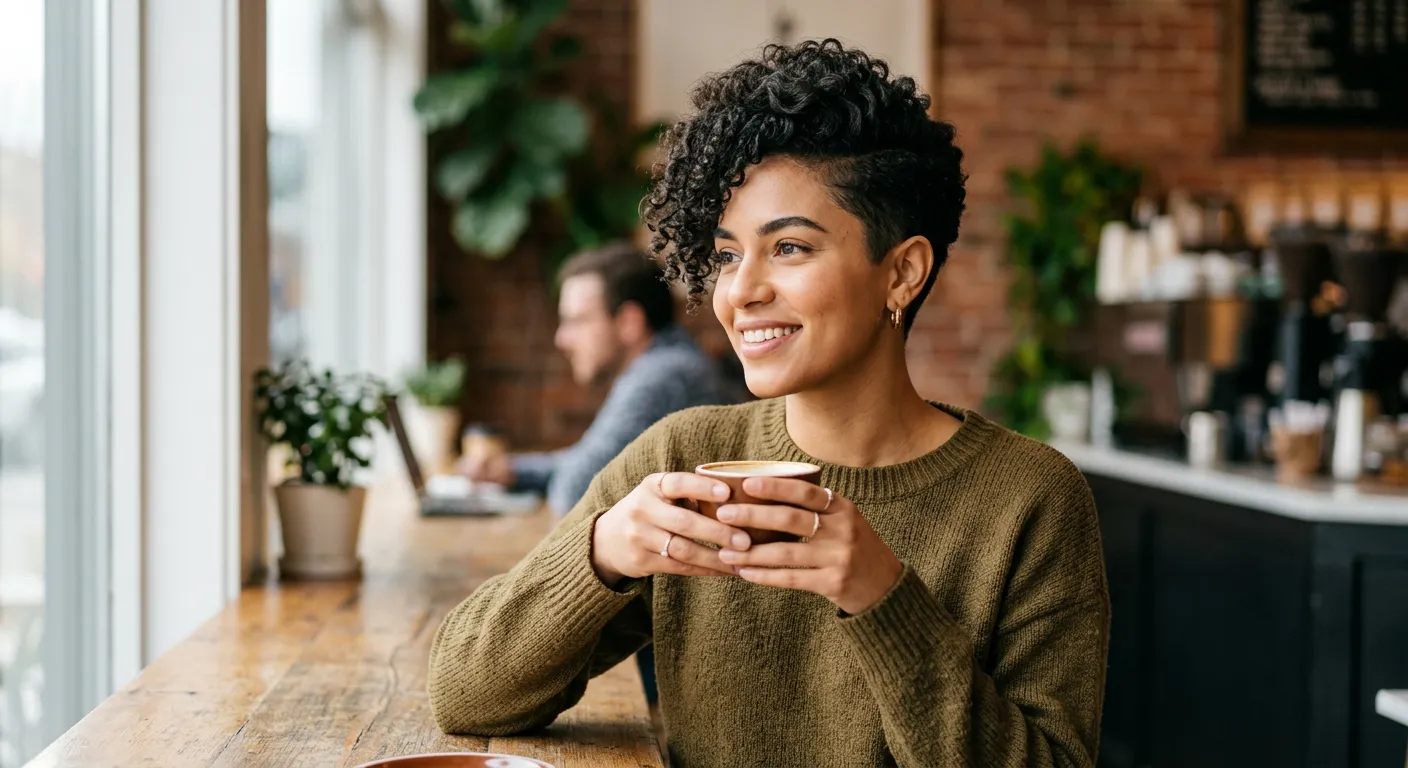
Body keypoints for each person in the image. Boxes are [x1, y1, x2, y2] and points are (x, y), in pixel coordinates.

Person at [430, 40, 1109, 767]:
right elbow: (465, 693)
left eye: (789, 249)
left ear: (903, 272)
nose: (739, 291)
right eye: (726, 255)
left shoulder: (1031, 499)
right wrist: (602, 551)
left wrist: (884, 598)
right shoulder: (683, 459)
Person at [462, 242, 726, 518]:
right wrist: (512, 471)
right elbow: (585, 459)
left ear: (629, 323)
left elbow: (574, 492)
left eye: (577, 320)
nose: (561, 338)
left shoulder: (661, 376)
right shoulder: (670, 361)